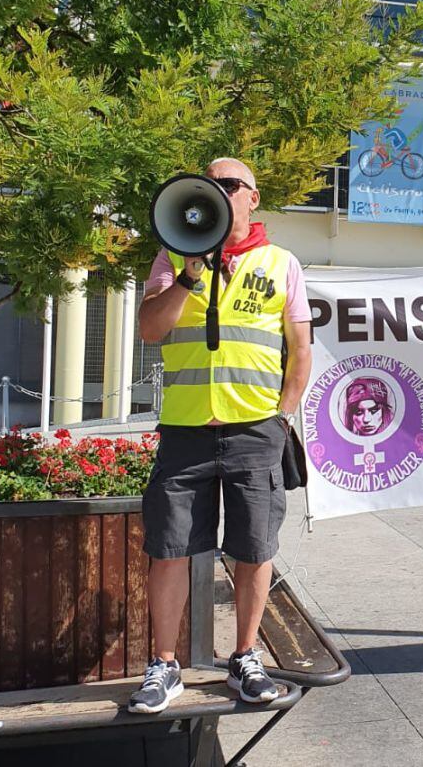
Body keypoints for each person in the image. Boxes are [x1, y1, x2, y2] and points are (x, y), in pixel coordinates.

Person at [128, 158, 312, 713]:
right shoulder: (172, 255)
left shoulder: (282, 264)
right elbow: (150, 329)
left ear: (253, 198)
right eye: (212, 184)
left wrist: (282, 417)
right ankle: (165, 665)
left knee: (254, 550)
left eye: (230, 185)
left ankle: (245, 657)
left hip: (255, 431)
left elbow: (300, 350)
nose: (220, 192)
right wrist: (189, 272)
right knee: (169, 550)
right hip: (185, 431)